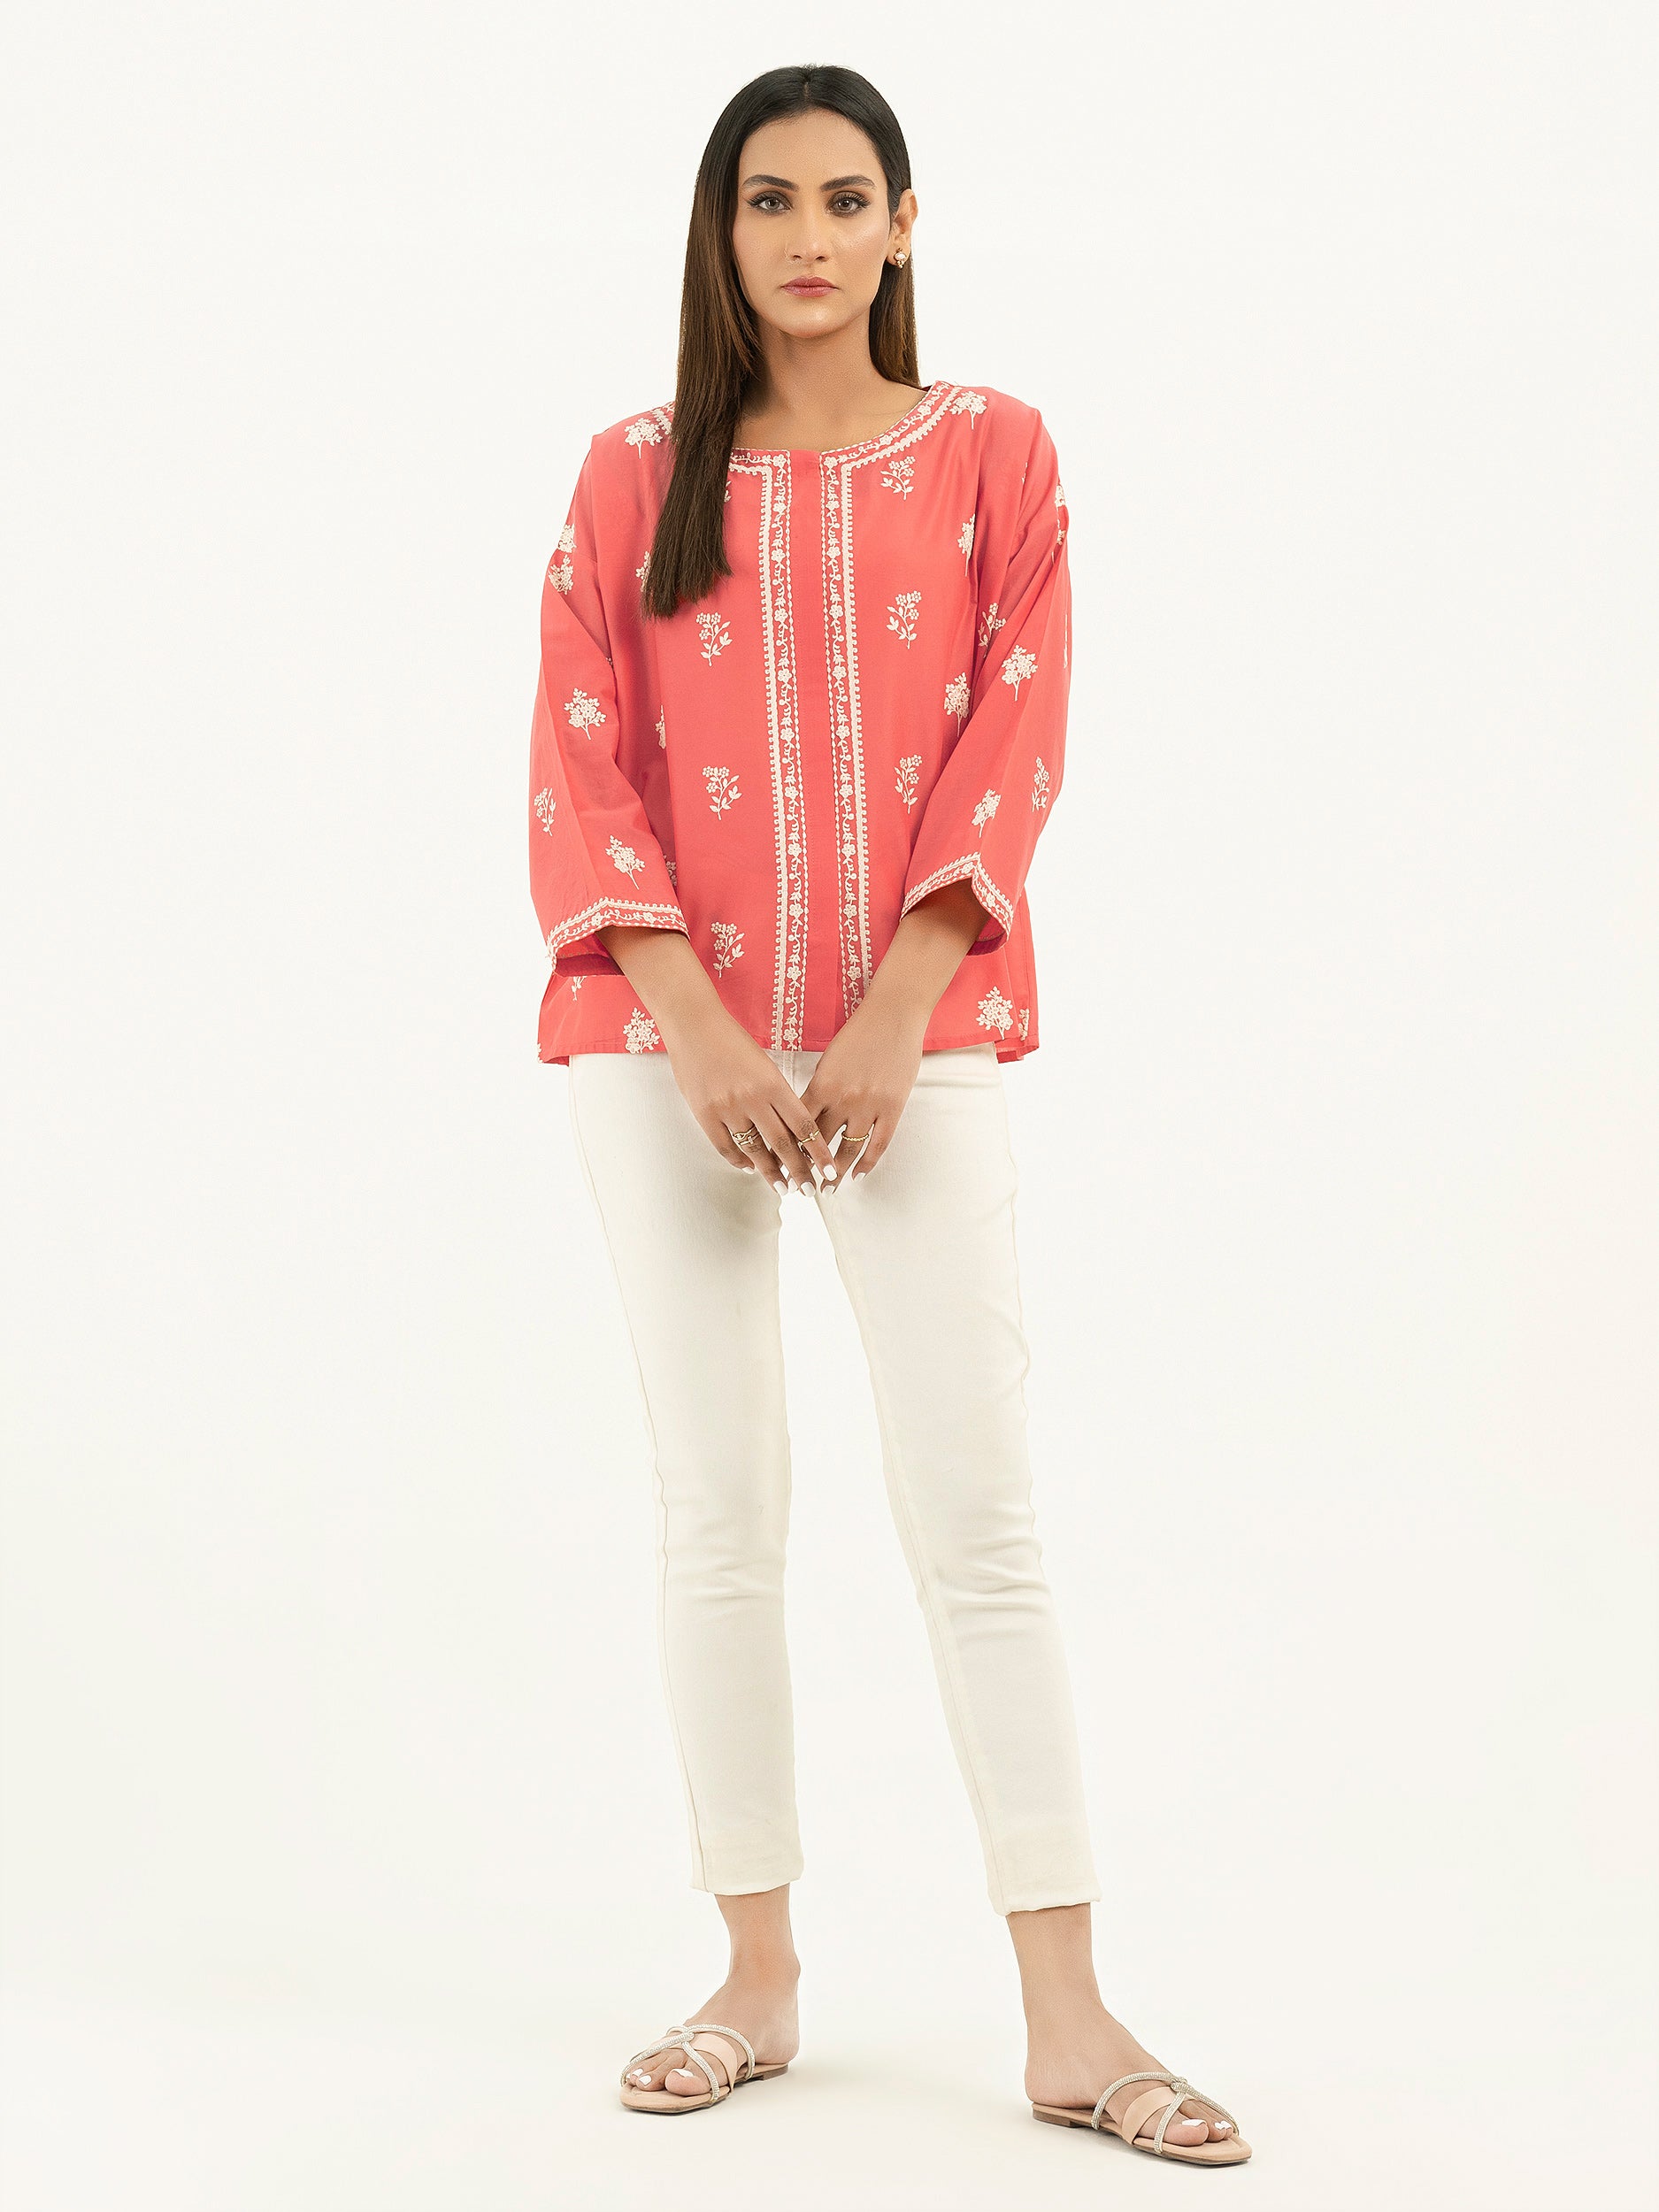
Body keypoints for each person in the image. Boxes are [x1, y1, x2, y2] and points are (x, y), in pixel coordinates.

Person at [526, 63, 1250, 2169]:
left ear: (903, 224)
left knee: (976, 1510)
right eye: (767, 201)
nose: (808, 236)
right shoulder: (629, 472)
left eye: (846, 199)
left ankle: (1065, 2011)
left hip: (908, 1038)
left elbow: (1015, 736)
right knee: (717, 1505)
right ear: (719, 230)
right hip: (665, 1042)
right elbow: (578, 753)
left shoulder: (993, 453)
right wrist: (701, 1031)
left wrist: (889, 1014)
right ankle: (752, 1974)